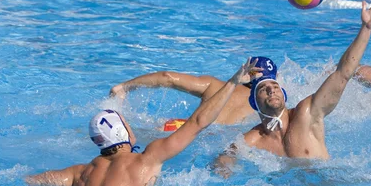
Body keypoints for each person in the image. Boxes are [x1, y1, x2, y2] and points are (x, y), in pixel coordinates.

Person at [25, 59, 262, 186]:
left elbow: (34, 180)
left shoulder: (79, 173)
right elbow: (198, 122)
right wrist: (232, 82)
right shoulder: (146, 160)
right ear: (122, 133)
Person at [214, 0, 371, 175]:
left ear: (284, 94)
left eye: (275, 87)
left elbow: (343, 74)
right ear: (253, 102)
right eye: (263, 88)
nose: (271, 89)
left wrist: (366, 28)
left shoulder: (307, 113)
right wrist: (223, 167)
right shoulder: (254, 138)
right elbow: (225, 155)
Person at [108, 61, 271, 124]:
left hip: (177, 128)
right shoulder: (268, 106)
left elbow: (167, 77)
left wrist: (124, 87)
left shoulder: (214, 85)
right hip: (213, 141)